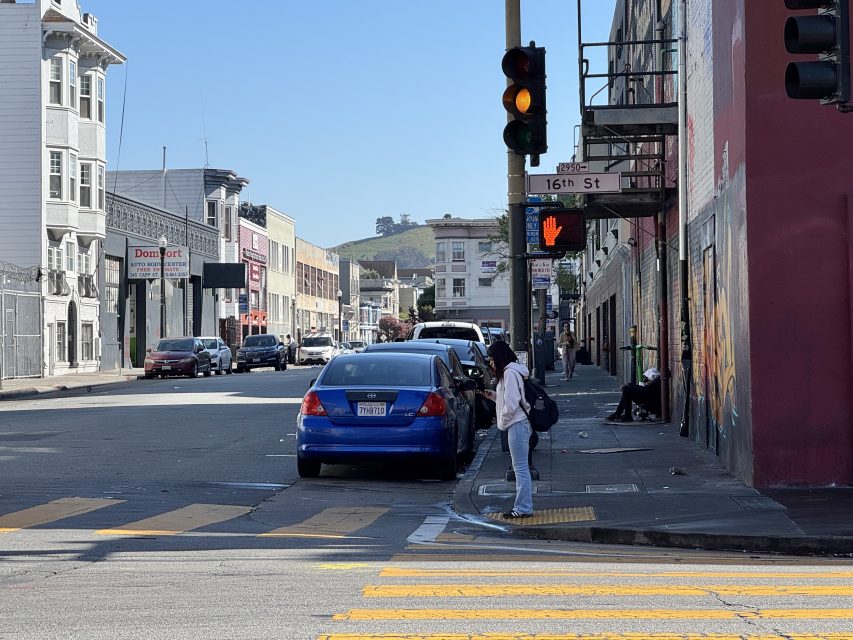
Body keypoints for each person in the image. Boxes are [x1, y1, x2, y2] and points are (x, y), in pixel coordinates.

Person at [480, 340, 534, 519]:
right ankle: (523, 506)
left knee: (520, 469)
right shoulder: (511, 372)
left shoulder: (510, 374)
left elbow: (511, 405)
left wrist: (502, 421)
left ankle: (523, 508)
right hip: (519, 423)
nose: (491, 363)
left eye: (492, 359)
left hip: (516, 424)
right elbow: (509, 399)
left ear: (499, 358)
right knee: (521, 468)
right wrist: (494, 396)